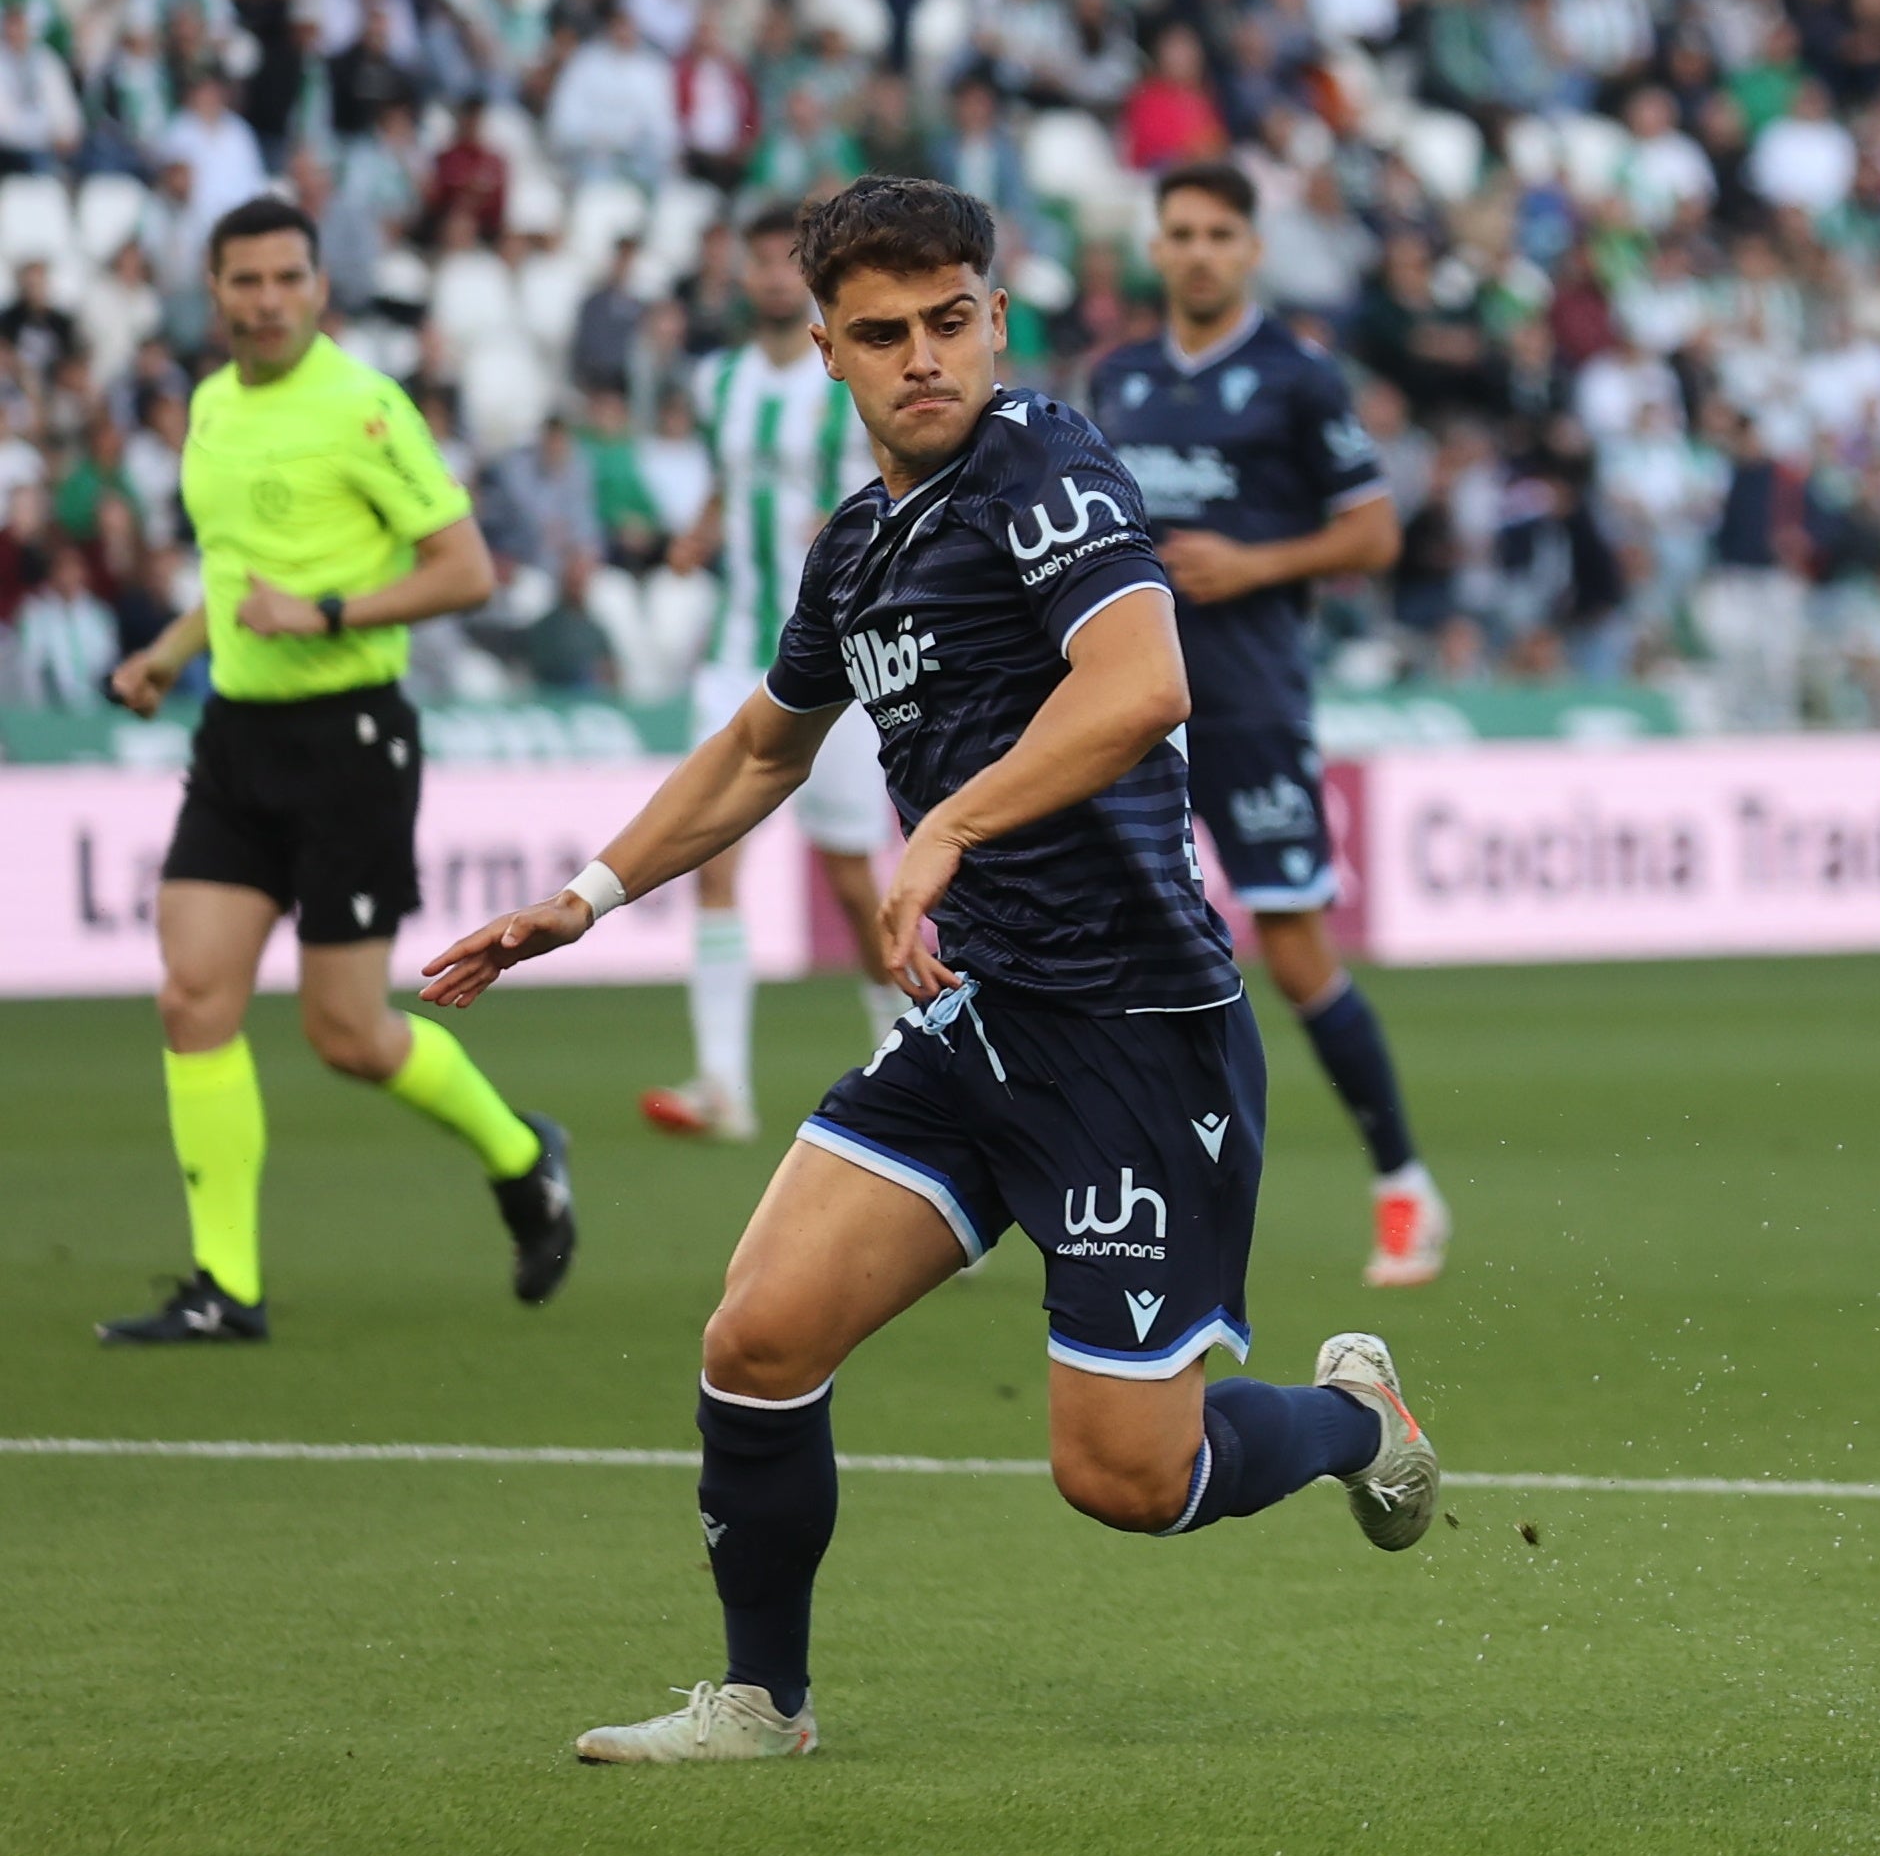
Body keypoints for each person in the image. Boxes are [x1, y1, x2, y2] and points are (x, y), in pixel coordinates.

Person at [421, 177, 1438, 1763]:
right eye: (882, 334)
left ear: (996, 321)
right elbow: (765, 746)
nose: (923, 359)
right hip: (980, 1027)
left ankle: (1353, 1423)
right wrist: (589, 894)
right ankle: (764, 1703)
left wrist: (946, 826)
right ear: (824, 347)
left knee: (1123, 1478)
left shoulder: (1044, 464)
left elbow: (1143, 679)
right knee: (755, 1341)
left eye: (950, 323)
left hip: (1133, 1033)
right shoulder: (859, 548)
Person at [96, 195, 580, 1345]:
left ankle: (523, 1156)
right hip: (237, 739)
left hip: (351, 737)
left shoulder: (364, 407)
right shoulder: (210, 405)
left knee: (348, 1033)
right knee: (191, 996)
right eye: (244, 281)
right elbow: (231, 576)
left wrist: (324, 610)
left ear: (319, 286)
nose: (265, 301)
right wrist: (168, 654)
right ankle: (227, 1288)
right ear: (211, 290)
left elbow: (467, 571)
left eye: (286, 279)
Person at [1084, 161, 1452, 1285]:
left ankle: (1403, 1182)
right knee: (1098, 951)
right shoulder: (1120, 379)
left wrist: (1258, 561)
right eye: (1180, 231)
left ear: (1251, 250)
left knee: (1293, 947)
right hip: (1125, 705)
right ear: (1157, 248)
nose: (1196, 250)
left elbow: (1378, 532)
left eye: (1218, 233)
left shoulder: (1298, 378)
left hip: (1247, 700)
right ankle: (1071, 1190)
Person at [641, 203, 903, 1142]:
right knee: (712, 858)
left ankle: (917, 1068)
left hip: (838, 664)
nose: (763, 277)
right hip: (733, 653)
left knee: (850, 880)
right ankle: (722, 1085)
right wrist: (700, 533)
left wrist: (848, 532)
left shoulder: (847, 383)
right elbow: (728, 479)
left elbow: (896, 480)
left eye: (779, 263)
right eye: (751, 262)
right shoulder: (719, 383)